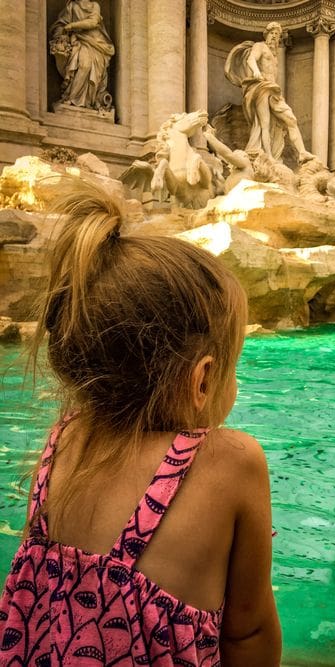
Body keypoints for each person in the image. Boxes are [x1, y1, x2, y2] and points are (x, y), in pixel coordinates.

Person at [0, 179, 282, 665]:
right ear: (203, 380)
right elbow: (250, 631)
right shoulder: (230, 463)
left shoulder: (62, 441)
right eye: (234, 366)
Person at [225, 22, 314, 163]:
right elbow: (251, 59)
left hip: (273, 90)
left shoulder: (275, 55)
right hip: (261, 87)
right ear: (266, 34)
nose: (274, 36)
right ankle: (269, 157)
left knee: (291, 119)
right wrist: (256, 71)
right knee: (264, 124)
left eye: (277, 34)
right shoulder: (260, 46)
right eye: (272, 33)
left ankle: (302, 152)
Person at [49, 0, 115, 110]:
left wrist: (71, 26)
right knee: (85, 65)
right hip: (79, 41)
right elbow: (61, 25)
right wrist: (60, 34)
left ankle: (89, 101)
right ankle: (72, 98)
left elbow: (93, 22)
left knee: (90, 67)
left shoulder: (94, 5)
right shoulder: (72, 6)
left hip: (97, 43)